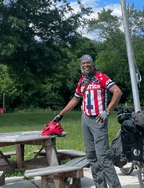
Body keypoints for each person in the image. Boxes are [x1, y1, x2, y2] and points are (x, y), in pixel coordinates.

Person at [52, 54, 122, 188]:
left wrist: (107, 111)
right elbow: (75, 100)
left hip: (98, 119)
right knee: (91, 156)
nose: (86, 65)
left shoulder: (101, 77)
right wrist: (60, 115)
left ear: (93, 64)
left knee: (103, 157)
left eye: (88, 62)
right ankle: (100, 186)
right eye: (83, 63)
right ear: (80, 66)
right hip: (85, 119)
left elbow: (117, 92)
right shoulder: (82, 81)